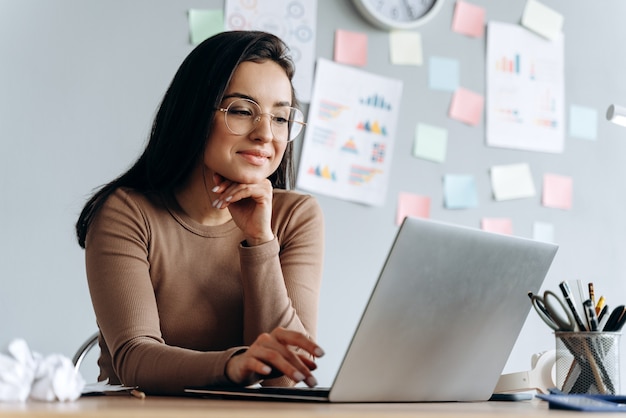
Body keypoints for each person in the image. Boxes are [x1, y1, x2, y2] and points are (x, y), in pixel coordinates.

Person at [75, 31, 325, 395]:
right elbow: (134, 357)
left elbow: (285, 378)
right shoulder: (126, 213)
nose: (265, 135)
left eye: (281, 118)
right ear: (194, 112)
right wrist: (233, 364)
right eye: (242, 111)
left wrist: (260, 242)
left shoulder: (296, 216)